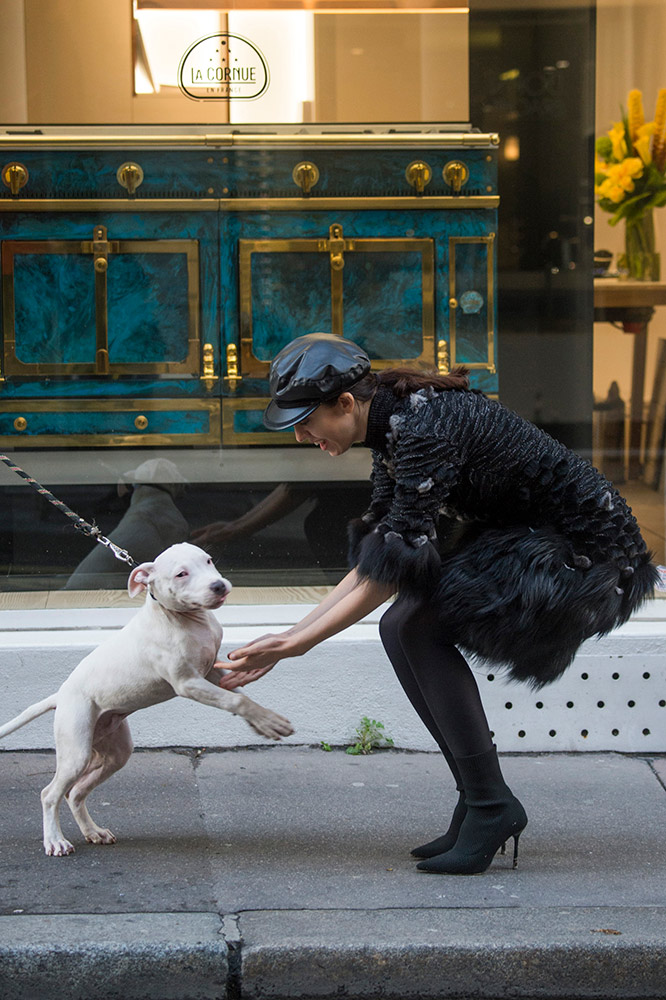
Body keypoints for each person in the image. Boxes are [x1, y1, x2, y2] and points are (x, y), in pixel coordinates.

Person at [216, 332, 657, 876]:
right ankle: (479, 800)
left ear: (346, 404)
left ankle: (491, 805)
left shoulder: (424, 427)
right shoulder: (394, 428)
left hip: (591, 561)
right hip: (537, 542)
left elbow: (395, 564)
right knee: (400, 624)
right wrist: (291, 636)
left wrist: (295, 646)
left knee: (419, 625)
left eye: (306, 421)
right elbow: (382, 552)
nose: (303, 436)